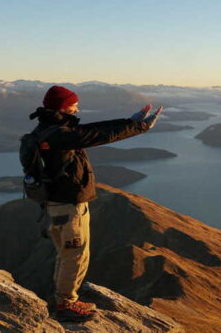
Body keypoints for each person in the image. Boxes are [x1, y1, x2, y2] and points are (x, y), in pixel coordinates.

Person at [28, 85, 162, 322]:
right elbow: (97, 135)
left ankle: (64, 299)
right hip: (68, 208)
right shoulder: (59, 134)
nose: (78, 108)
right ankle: (66, 305)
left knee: (67, 255)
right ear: (64, 106)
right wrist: (138, 127)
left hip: (57, 206)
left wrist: (128, 121)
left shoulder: (49, 129)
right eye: (74, 104)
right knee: (75, 256)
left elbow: (90, 130)